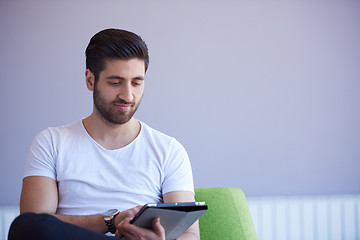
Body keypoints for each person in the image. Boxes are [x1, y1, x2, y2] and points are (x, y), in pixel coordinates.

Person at [8, 28, 199, 240]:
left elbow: (190, 233)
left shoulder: (169, 150)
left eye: (137, 82)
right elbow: (34, 224)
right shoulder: (51, 142)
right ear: (90, 80)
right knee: (26, 225)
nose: (128, 95)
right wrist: (111, 221)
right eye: (115, 82)